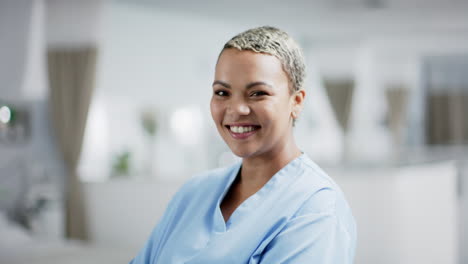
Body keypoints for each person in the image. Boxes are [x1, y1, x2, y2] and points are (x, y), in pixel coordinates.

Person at [130, 26, 356, 264]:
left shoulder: (315, 209)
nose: (236, 109)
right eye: (222, 92)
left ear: (296, 101)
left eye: (258, 93)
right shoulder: (193, 193)